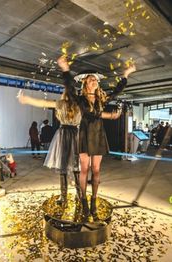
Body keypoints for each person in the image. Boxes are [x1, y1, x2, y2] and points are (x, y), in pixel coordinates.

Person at [58, 56, 136, 218]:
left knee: (96, 170)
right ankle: (84, 202)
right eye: (91, 79)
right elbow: (72, 90)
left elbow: (116, 91)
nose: (94, 81)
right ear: (86, 83)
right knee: (84, 170)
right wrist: (65, 69)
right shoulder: (79, 99)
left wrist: (126, 74)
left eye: (95, 79)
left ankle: (93, 202)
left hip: (99, 135)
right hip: (85, 135)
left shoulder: (101, 98)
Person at [18, 78, 82, 204]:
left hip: (63, 134)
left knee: (63, 166)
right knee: (75, 166)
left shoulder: (61, 104)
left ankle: (64, 198)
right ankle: (79, 195)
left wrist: (27, 99)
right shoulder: (79, 106)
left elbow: (42, 103)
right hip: (75, 134)